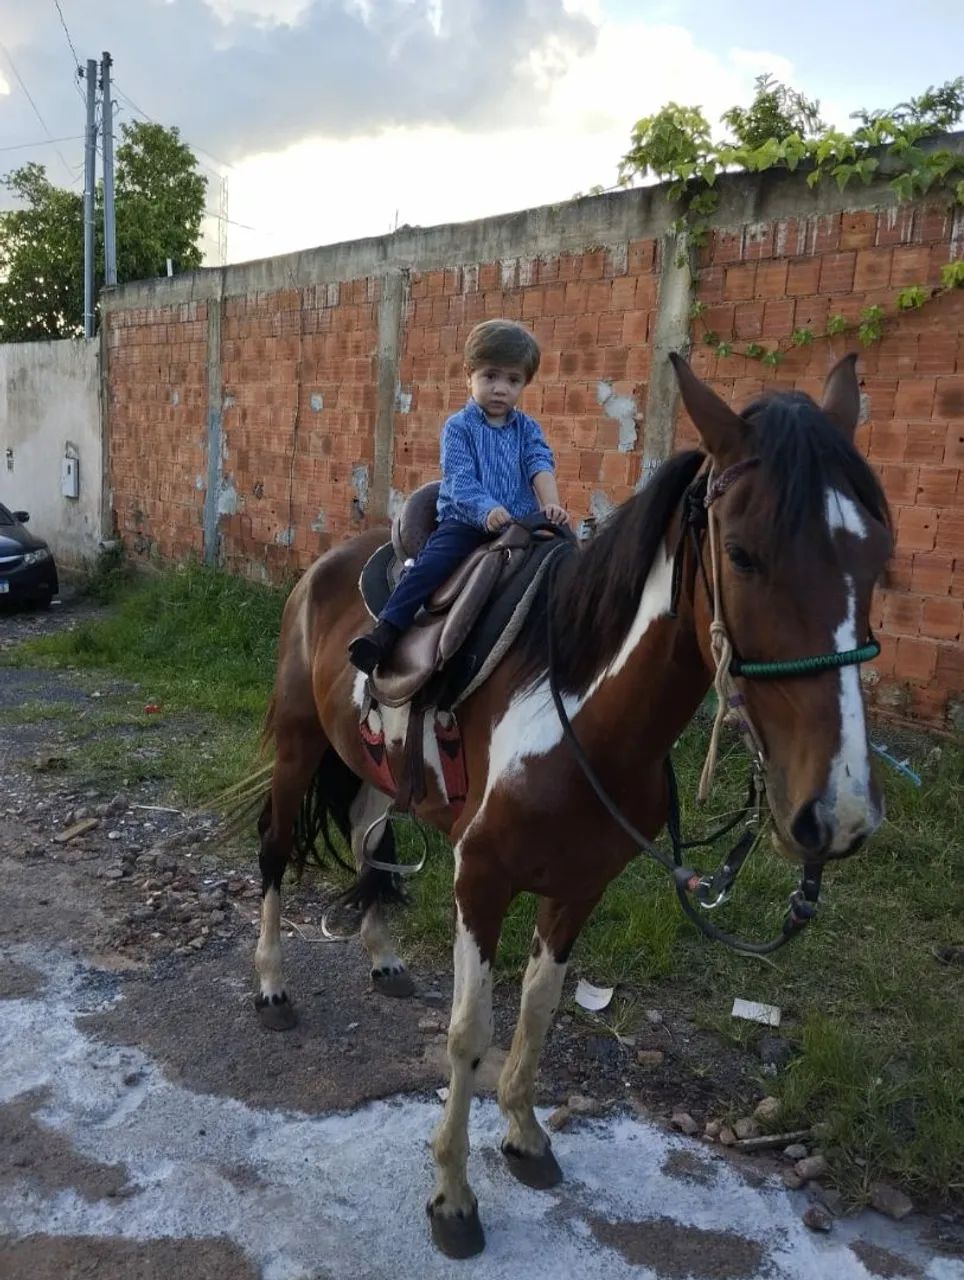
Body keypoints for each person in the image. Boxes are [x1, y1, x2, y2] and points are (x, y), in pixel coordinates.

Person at [348, 318, 569, 674]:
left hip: (520, 522)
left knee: (567, 553)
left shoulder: (527, 428)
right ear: (469, 374)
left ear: (524, 383)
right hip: (467, 521)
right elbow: (461, 480)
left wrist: (551, 504)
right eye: (491, 376)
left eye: (513, 380)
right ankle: (385, 632)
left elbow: (538, 463)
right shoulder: (459, 428)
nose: (501, 389)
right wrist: (488, 510)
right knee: (431, 566)